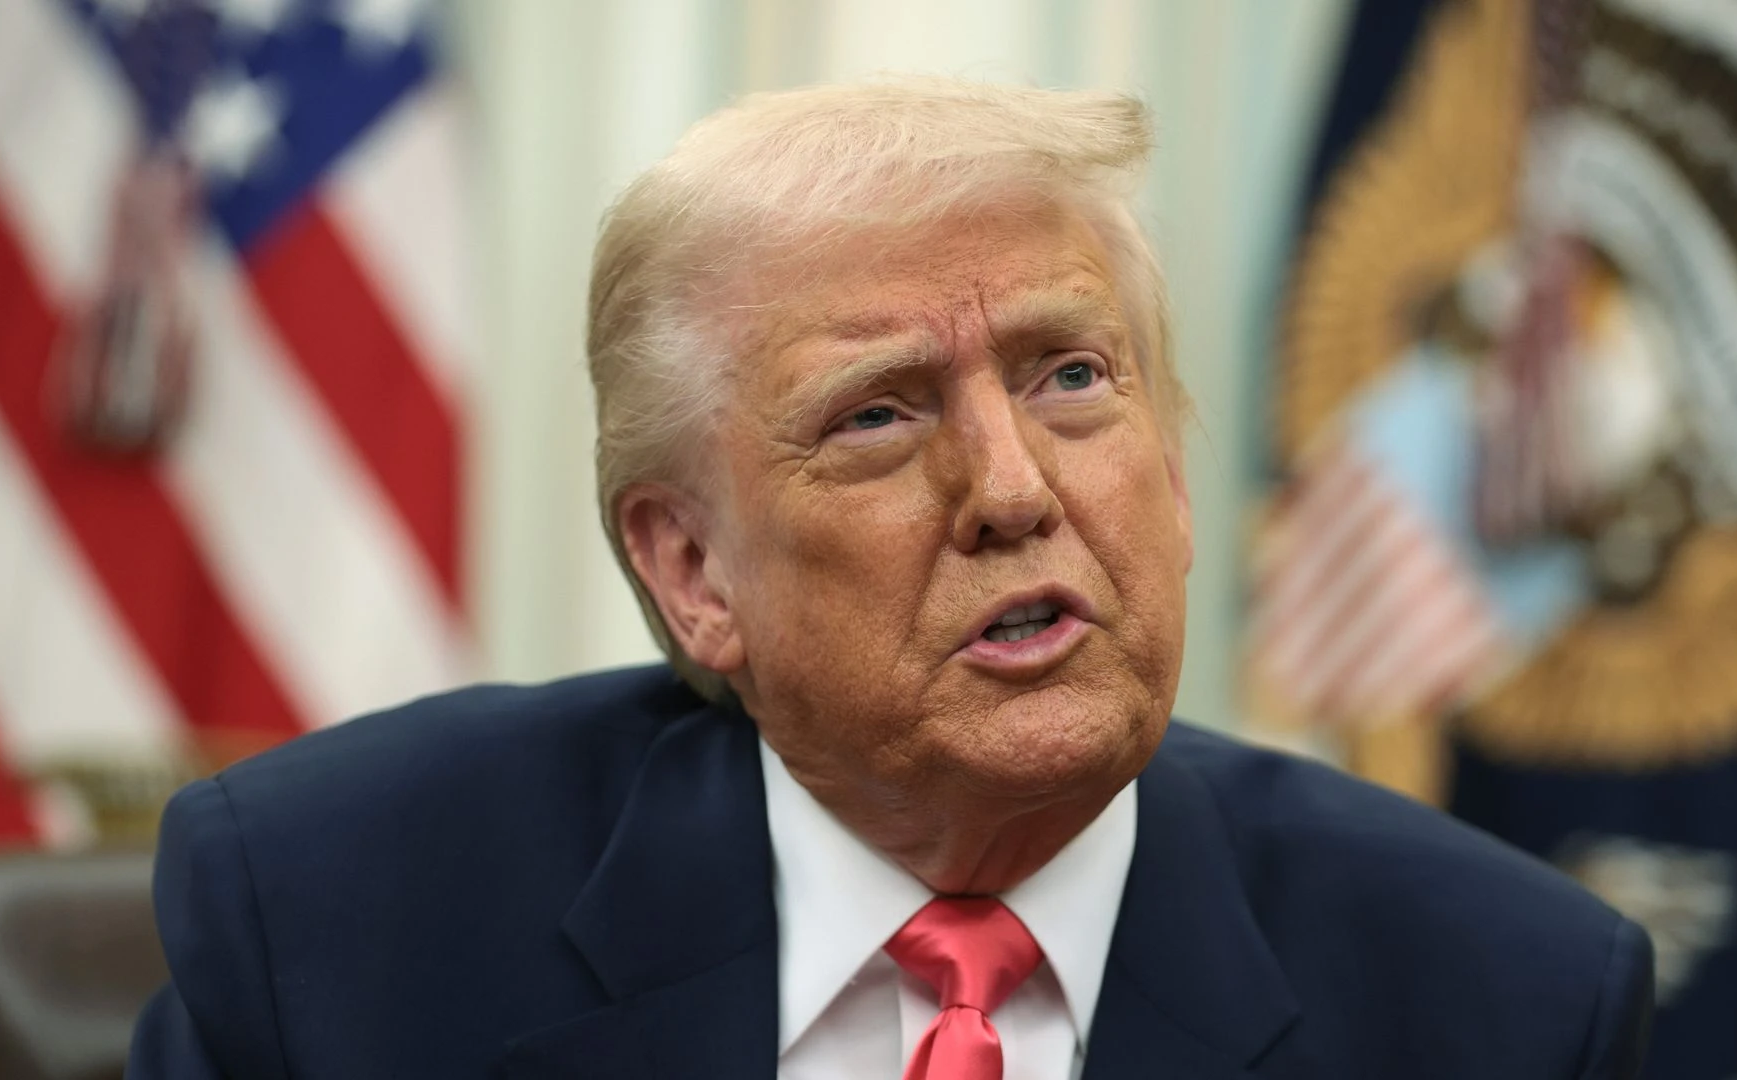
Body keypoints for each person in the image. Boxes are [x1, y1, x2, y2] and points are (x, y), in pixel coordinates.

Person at [127, 79, 1653, 1080]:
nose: (1012, 489)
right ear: (690, 566)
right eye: (878, 414)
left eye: (1070, 379)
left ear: (1177, 476)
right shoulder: (337, 929)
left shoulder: (1502, 1004)